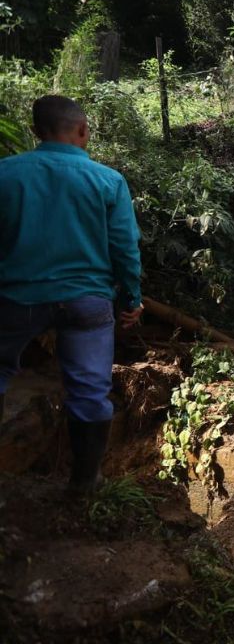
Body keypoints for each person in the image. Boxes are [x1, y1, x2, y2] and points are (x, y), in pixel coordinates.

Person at [0, 95, 143, 495]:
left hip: (15, 299)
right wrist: (131, 298)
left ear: (35, 131)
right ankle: (85, 483)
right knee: (90, 390)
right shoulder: (107, 180)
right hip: (87, 301)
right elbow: (125, 247)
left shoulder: (5, 173)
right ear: (83, 130)